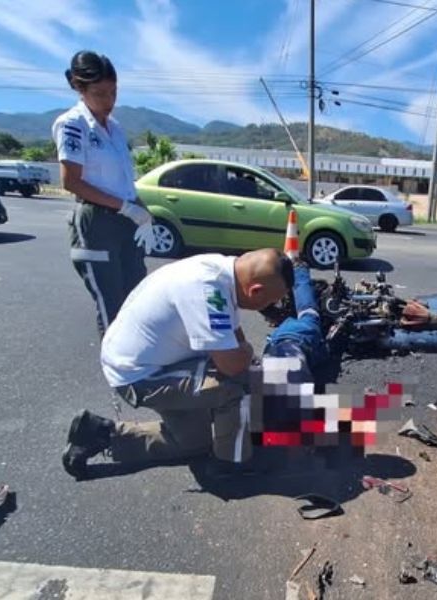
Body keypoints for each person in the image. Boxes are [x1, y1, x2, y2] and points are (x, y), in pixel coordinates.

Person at [61, 248, 293, 480]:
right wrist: (248, 353)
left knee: (193, 444)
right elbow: (232, 365)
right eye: (272, 301)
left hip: (154, 359)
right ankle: (230, 462)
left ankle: (100, 434)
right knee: (234, 388)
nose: (272, 307)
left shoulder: (222, 270)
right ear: (256, 291)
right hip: (141, 375)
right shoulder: (208, 291)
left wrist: (244, 355)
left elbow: (233, 335)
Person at [52, 50, 155, 337]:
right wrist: (125, 207)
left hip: (125, 218)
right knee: (111, 303)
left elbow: (123, 181)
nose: (109, 101)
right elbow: (71, 181)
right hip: (97, 221)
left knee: (136, 297)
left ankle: (139, 365)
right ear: (78, 87)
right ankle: (119, 373)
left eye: (113, 92)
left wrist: (142, 211)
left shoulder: (117, 129)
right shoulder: (73, 124)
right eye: (99, 93)